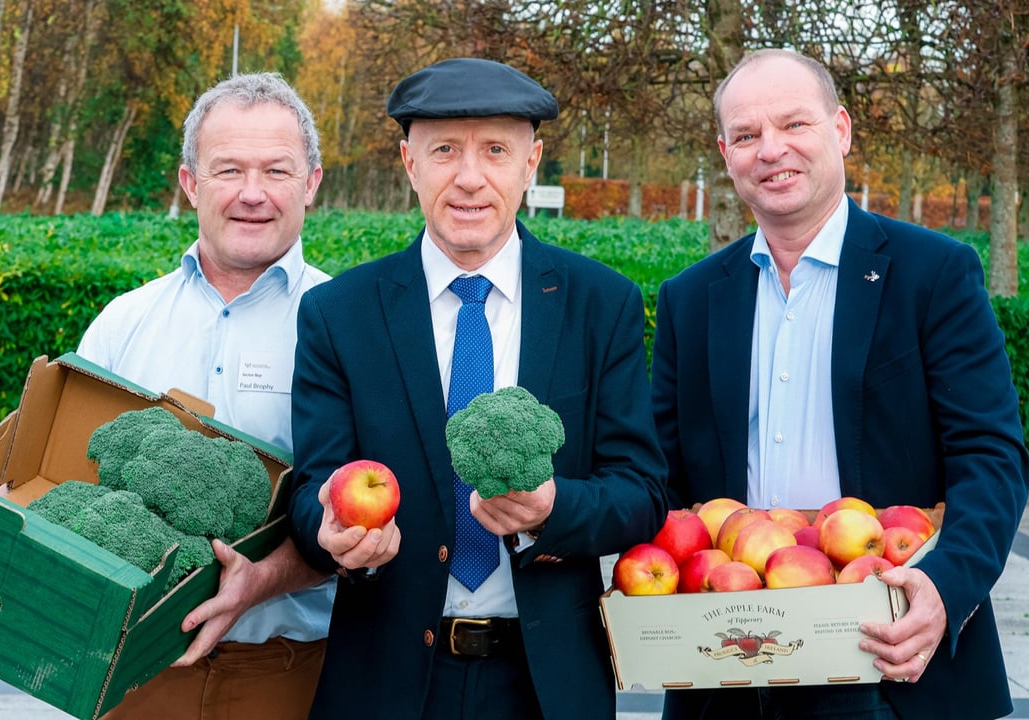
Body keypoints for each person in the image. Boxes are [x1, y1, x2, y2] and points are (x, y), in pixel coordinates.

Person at [650, 48, 1029, 719]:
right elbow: (664, 478)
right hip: (727, 665)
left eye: (794, 124)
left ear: (842, 130)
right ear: (725, 153)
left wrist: (945, 587)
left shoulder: (933, 275)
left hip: (890, 655)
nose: (771, 150)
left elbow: (990, 454)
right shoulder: (692, 299)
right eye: (746, 135)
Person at [285, 57, 670, 719]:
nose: (469, 178)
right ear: (410, 164)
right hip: (385, 684)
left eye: (495, 150)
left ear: (531, 163)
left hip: (548, 686)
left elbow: (642, 492)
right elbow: (312, 488)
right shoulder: (339, 314)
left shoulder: (600, 304)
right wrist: (334, 535)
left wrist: (555, 509)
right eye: (444, 151)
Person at [75, 72, 335, 720]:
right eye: (228, 171)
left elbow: (378, 520)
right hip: (134, 671)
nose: (252, 194)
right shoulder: (122, 323)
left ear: (312, 183)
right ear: (191, 183)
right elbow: (71, 480)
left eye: (276, 171)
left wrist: (267, 578)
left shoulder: (351, 328)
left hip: (289, 672)